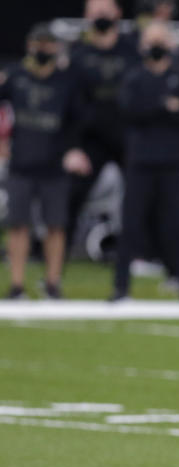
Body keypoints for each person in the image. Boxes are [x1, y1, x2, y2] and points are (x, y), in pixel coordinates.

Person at [110, 20, 179, 302]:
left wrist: (160, 108)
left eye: (162, 41)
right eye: (152, 41)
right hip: (140, 161)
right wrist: (164, 105)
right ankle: (120, 288)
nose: (157, 48)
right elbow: (129, 109)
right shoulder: (134, 76)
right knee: (131, 223)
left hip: (172, 161)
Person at [0, 23, 89, 299]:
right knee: (18, 224)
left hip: (54, 163)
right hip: (22, 161)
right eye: (39, 45)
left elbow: (79, 121)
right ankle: (16, 285)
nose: (43, 51)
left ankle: (52, 283)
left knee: (55, 225)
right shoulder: (16, 76)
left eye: (48, 46)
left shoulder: (66, 81)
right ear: (30, 47)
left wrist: (74, 150)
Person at [68, 0, 141, 251]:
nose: (100, 15)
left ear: (117, 13)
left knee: (141, 196)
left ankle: (142, 255)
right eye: (94, 10)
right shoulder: (78, 55)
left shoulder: (132, 51)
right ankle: (52, 254)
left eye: (105, 9)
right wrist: (73, 147)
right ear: (86, 15)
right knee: (70, 192)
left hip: (127, 136)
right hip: (91, 139)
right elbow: (70, 107)